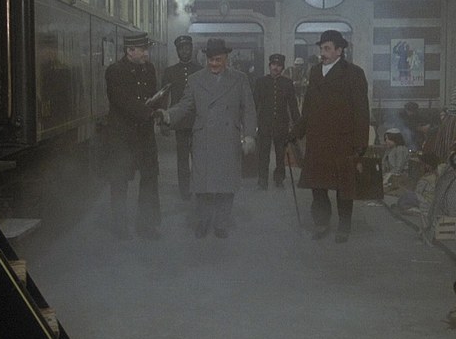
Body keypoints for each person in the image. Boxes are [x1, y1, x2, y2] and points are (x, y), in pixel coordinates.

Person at [158, 38, 257, 239]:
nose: (213, 64)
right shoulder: (195, 79)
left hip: (229, 138)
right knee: (202, 185)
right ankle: (202, 221)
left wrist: (249, 135)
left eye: (218, 60)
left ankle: (221, 223)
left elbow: (248, 109)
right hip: (203, 138)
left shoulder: (240, 79)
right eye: (210, 60)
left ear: (226, 58)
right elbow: (185, 105)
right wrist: (168, 115)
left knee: (226, 184)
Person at [290, 29, 370, 243]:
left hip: (342, 141)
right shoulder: (316, 71)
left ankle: (344, 227)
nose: (322, 53)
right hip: (317, 140)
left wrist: (361, 143)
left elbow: (362, 111)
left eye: (327, 48)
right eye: (321, 48)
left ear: (339, 50)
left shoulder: (354, 73)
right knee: (318, 186)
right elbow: (308, 106)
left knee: (344, 187)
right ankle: (321, 223)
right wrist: (297, 131)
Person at [104, 32, 162, 240]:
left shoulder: (149, 69)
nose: (147, 54)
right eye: (143, 50)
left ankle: (146, 226)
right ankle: (119, 227)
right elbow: (121, 101)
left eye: (147, 49)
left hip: (145, 135)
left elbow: (152, 94)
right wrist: (147, 112)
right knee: (119, 181)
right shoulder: (114, 71)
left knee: (149, 179)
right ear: (130, 51)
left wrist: (156, 104)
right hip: (122, 137)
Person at [161, 35, 203, 201]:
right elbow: (164, 97)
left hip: (198, 121)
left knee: (199, 157)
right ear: (177, 51)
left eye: (187, 48)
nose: (185, 51)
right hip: (180, 122)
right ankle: (184, 190)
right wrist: (164, 121)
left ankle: (200, 187)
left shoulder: (200, 70)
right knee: (182, 158)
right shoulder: (170, 72)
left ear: (192, 49)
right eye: (181, 49)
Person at [253, 53, 301, 189]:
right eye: (273, 65)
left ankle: (279, 178)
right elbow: (254, 104)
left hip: (281, 124)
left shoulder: (287, 83)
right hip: (264, 124)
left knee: (280, 154)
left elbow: (293, 106)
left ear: (282, 68)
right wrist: (252, 123)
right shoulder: (261, 82)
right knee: (263, 153)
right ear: (269, 66)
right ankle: (262, 179)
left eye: (279, 65)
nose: (276, 68)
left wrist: (297, 125)